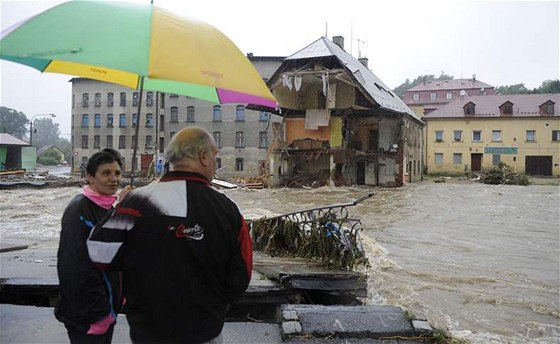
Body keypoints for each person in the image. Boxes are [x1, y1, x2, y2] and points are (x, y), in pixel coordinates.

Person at [87, 127, 252, 344]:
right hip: (204, 331)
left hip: (148, 331)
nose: (215, 164)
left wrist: (119, 206)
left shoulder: (136, 202)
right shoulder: (226, 210)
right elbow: (241, 275)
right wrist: (215, 306)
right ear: (203, 157)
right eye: (215, 157)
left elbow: (99, 253)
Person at [55, 148, 129, 344]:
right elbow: (76, 266)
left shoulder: (107, 208)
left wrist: (124, 209)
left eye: (117, 173)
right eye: (106, 173)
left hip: (107, 308)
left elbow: (115, 251)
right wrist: (98, 313)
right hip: (88, 315)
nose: (114, 179)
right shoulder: (79, 209)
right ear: (89, 177)